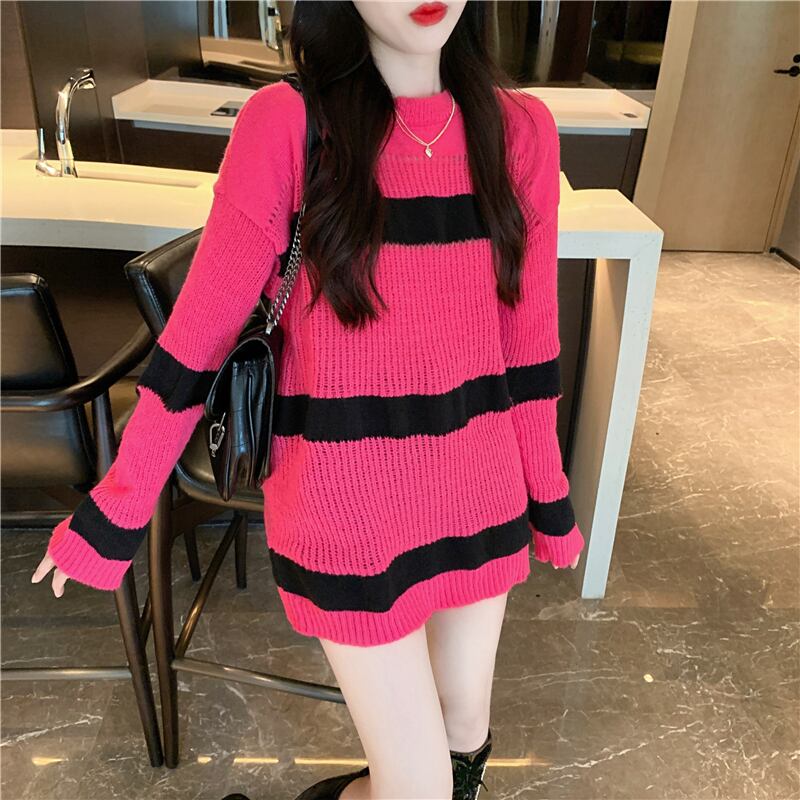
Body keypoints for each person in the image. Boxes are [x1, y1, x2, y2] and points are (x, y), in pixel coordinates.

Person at [32, 2, 585, 798]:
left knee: (464, 742)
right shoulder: (288, 124)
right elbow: (200, 336)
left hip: (479, 485)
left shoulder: (520, 131)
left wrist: (548, 497)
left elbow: (527, 345)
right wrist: (119, 505)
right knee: (421, 786)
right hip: (346, 501)